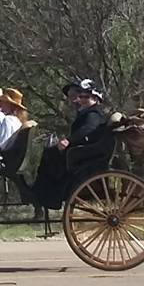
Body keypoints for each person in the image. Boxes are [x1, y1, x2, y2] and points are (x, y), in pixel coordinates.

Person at [32, 79, 109, 210]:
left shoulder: (93, 114)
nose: (82, 99)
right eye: (81, 96)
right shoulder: (87, 113)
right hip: (84, 152)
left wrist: (69, 141)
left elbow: (88, 129)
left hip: (85, 154)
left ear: (96, 99)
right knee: (49, 153)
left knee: (49, 155)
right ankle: (45, 195)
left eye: (86, 96)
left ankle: (48, 196)